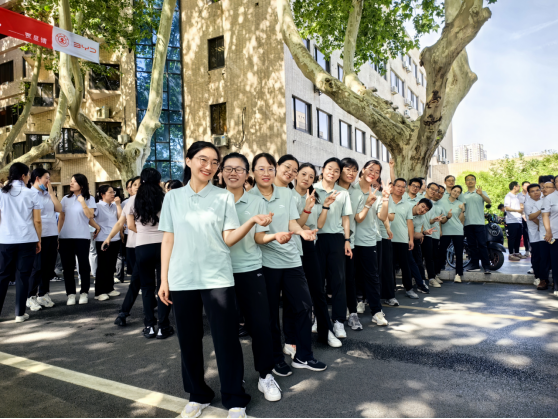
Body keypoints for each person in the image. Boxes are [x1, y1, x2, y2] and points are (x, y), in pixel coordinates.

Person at [156, 143, 264, 418]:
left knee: (226, 340)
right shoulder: (172, 197)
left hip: (217, 277)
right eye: (203, 159)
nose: (209, 166)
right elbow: (167, 239)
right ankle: (197, 394)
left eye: (214, 162)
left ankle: (235, 398)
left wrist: (251, 221)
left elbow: (228, 238)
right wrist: (164, 280)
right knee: (188, 341)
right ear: (188, 160)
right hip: (182, 279)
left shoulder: (223, 197)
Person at [249, 153, 326, 377]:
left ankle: (303, 355)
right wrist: (276, 236)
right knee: (270, 314)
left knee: (304, 306)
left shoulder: (286, 194)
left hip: (292, 259)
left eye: (269, 169)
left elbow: (293, 222)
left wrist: (302, 233)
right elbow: (255, 234)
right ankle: (275, 358)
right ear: (254, 171)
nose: (266, 173)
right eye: (261, 169)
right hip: (266, 262)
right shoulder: (250, 197)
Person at [222, 152, 289, 402]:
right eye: (228, 169)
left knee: (261, 326)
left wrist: (275, 236)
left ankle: (265, 375)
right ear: (221, 172)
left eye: (239, 169)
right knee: (227, 329)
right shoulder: (215, 200)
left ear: (246, 173)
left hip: (251, 268)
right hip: (220, 272)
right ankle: (234, 376)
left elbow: (259, 237)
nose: (233, 173)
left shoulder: (256, 201)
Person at [293, 163, 341, 347]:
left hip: (310, 245)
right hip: (292, 246)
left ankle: (326, 331)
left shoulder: (316, 196)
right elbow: (293, 223)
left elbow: (319, 225)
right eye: (303, 174)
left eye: (311, 176)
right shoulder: (289, 196)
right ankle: (292, 339)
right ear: (296, 175)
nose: (307, 178)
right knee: (296, 295)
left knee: (318, 291)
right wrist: (305, 227)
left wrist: (326, 206)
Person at [128, 168, 172, 339]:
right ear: (159, 181)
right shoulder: (166, 198)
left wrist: (143, 232)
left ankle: (149, 326)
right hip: (163, 246)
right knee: (164, 285)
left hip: (142, 246)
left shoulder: (133, 200)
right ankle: (163, 326)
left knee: (146, 287)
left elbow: (130, 226)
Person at [313, 157, 353, 339]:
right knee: (317, 281)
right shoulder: (312, 189)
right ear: (323, 169)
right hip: (315, 238)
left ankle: (338, 321)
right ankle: (317, 318)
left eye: (337, 171)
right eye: (330, 168)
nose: (333, 172)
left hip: (336, 238)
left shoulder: (343, 193)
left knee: (338, 281)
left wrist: (347, 240)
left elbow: (346, 218)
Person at [0, 163, 42, 323]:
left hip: (5, 239)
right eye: (28, 174)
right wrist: (39, 240)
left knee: (2, 276)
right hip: (27, 239)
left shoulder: (2, 193)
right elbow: (37, 221)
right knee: (23, 276)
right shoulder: (31, 193)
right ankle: (19, 313)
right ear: (23, 176)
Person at [350, 160, 389, 327]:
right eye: (370, 169)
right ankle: (352, 307)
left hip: (368, 241)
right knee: (350, 277)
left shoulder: (377, 194)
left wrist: (385, 199)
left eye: (377, 172)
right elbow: (357, 218)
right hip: (349, 241)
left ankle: (376, 311)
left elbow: (382, 216)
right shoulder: (350, 190)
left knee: (372, 277)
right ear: (363, 170)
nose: (373, 173)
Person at [106, 177, 141, 327]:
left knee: (143, 281)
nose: (136, 187)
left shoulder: (157, 200)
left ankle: (124, 312)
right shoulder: (129, 203)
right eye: (134, 185)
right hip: (133, 246)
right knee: (137, 279)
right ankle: (125, 312)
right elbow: (121, 223)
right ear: (129, 188)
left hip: (151, 246)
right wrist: (109, 237)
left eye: (140, 184)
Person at [58, 174, 97, 306]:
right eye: (71, 181)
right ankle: (70, 294)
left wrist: (82, 202)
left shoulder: (89, 199)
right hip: (65, 237)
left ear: (82, 184)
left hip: (82, 237)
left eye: (74, 182)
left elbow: (90, 215)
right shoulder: (65, 199)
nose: (71, 183)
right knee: (68, 268)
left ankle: (84, 292)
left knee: (83, 266)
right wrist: (58, 234)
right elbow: (61, 218)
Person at [26, 168, 61, 311]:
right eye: (46, 178)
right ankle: (30, 297)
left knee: (48, 267)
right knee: (37, 267)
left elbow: (59, 209)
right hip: (38, 235)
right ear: (37, 178)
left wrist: (52, 193)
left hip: (52, 234)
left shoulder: (48, 194)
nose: (49, 181)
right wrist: (36, 238)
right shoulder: (29, 194)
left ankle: (43, 294)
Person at [379, 178, 420, 299]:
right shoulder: (385, 199)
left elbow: (409, 222)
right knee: (389, 266)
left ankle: (409, 289)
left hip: (402, 239)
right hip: (387, 238)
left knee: (405, 266)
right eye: (398, 186)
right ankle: (390, 289)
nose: (400, 189)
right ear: (393, 186)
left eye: (403, 187)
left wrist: (411, 239)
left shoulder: (407, 204)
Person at [337, 158, 362, 329]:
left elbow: (355, 218)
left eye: (354, 170)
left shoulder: (357, 192)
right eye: (348, 169)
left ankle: (352, 313)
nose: (351, 173)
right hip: (327, 240)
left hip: (349, 241)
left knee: (349, 278)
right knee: (330, 279)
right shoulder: (328, 188)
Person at [94, 185, 122, 301]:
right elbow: (89, 217)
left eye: (113, 192)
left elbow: (121, 219)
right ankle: (99, 291)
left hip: (115, 238)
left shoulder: (115, 206)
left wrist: (118, 205)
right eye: (110, 192)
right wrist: (97, 227)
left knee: (111, 265)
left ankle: (109, 288)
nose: (113, 194)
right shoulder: (97, 206)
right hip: (102, 239)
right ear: (102, 194)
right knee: (103, 266)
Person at [462, 174, 492, 274]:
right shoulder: (463, 195)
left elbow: (489, 201)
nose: (470, 181)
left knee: (482, 244)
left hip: (479, 223)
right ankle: (475, 265)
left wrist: (481, 194)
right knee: (471, 245)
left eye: (472, 179)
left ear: (475, 181)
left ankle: (486, 266)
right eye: (468, 180)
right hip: (467, 223)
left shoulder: (481, 192)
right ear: (465, 182)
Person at [439, 186, 466, 283]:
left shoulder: (460, 203)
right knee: (441, 251)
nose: (456, 193)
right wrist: (440, 230)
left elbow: (460, 220)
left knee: (458, 253)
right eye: (455, 191)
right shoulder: (442, 201)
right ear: (451, 191)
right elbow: (440, 217)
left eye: (458, 192)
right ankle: (437, 273)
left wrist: (462, 210)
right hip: (445, 230)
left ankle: (458, 274)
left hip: (457, 231)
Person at [410, 198, 436, 294]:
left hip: (410, 239)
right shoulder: (407, 208)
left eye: (426, 210)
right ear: (417, 203)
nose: (423, 210)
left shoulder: (421, 218)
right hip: (396, 238)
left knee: (417, 261)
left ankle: (420, 283)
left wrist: (424, 233)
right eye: (422, 206)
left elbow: (415, 234)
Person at [422, 183, 445, 288]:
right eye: (432, 189)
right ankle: (417, 278)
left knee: (429, 257)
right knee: (417, 258)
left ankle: (431, 278)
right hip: (417, 233)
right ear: (427, 188)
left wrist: (434, 220)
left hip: (428, 233)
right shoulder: (419, 199)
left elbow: (429, 220)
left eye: (436, 190)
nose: (434, 192)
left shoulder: (432, 204)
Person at [541, 179, 558, 297]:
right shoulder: (550, 198)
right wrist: (548, 231)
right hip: (555, 235)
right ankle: (557, 285)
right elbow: (545, 215)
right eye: (557, 181)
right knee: (556, 261)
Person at [524, 184, 543, 285]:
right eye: (532, 191)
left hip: (544, 233)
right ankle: (537, 277)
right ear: (529, 193)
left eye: (537, 190)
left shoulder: (544, 200)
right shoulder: (528, 204)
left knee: (544, 256)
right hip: (535, 234)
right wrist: (544, 226)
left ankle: (544, 277)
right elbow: (533, 218)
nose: (536, 192)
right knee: (536, 256)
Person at [505, 181, 525, 261]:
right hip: (512, 220)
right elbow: (507, 208)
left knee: (518, 237)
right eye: (519, 186)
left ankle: (516, 253)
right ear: (514, 187)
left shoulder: (516, 196)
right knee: (512, 238)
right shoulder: (508, 196)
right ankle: (510, 254)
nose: (519, 188)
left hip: (518, 220)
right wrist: (517, 210)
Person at [518, 181, 531, 258]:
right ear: (522, 186)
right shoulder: (518, 196)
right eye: (525, 185)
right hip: (522, 217)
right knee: (525, 234)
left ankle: (532, 249)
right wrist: (523, 215)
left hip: (532, 217)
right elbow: (518, 207)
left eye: (528, 185)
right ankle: (527, 250)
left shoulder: (532, 194)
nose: (527, 187)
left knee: (532, 233)